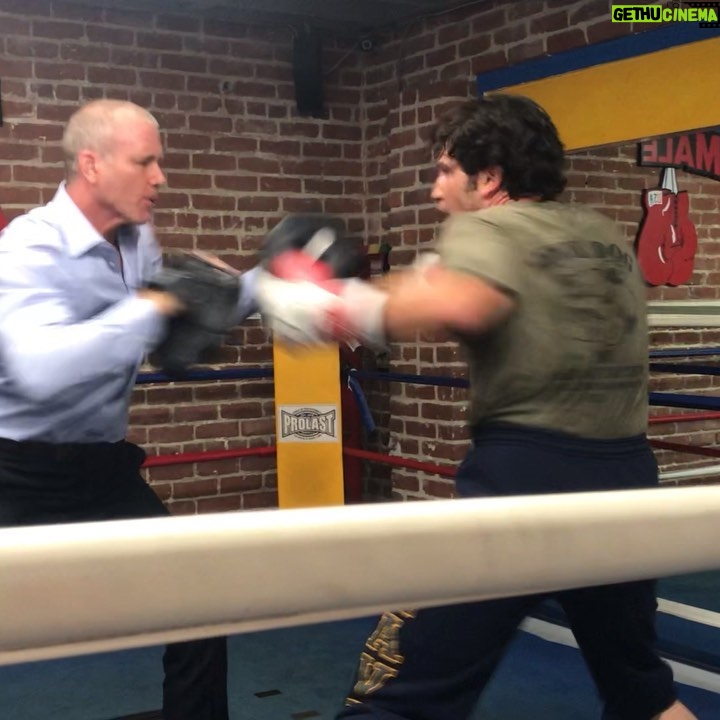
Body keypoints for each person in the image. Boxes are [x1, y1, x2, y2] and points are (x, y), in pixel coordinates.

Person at [255, 94, 698, 720]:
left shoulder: (488, 228)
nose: (436, 190)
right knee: (641, 691)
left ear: (488, 178)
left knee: (408, 692)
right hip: (625, 477)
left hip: (525, 483)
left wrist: (322, 307)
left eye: (443, 170)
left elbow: (464, 303)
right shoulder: (601, 234)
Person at [0, 99, 259, 720]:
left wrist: (269, 282)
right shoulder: (28, 249)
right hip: (14, 474)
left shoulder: (137, 239)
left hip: (102, 470)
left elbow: (188, 302)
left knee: (199, 598)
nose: (160, 177)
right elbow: (41, 371)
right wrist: (159, 307)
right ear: (92, 165)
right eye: (145, 162)